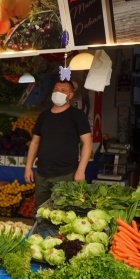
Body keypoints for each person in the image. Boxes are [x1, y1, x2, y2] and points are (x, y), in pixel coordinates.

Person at [24, 80, 92, 208]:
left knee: (64, 212)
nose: (58, 92)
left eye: (63, 91)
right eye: (56, 89)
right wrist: (28, 167)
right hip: (42, 174)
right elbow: (34, 142)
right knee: (41, 212)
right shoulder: (43, 116)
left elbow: (87, 143)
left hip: (66, 174)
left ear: (70, 95)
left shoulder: (77, 116)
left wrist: (81, 171)